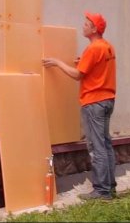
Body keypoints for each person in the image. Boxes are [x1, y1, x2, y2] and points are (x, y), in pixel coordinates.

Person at [42, 12, 116, 200]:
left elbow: (77, 75)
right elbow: (96, 68)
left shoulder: (93, 49)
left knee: (96, 146)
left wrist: (58, 63)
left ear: (94, 29)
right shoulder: (107, 47)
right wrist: (81, 63)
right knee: (105, 144)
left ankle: (102, 191)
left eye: (86, 24)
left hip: (94, 102)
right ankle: (110, 186)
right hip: (107, 100)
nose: (83, 25)